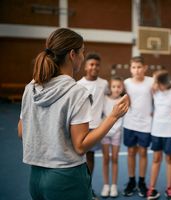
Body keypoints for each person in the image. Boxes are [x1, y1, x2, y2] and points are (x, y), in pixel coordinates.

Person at [17, 28, 129, 200]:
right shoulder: (77, 92)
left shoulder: (31, 87)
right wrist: (113, 117)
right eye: (82, 52)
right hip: (66, 179)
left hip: (36, 178)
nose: (83, 57)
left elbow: (21, 132)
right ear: (72, 55)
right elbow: (80, 146)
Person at [77, 52, 108, 199]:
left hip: (96, 127)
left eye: (97, 65)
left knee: (90, 157)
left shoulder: (104, 84)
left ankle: (88, 188)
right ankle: (78, 188)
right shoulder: (78, 85)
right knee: (77, 157)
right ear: (85, 67)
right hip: (80, 127)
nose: (94, 67)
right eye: (91, 64)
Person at [147, 70, 171, 200]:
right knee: (156, 159)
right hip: (157, 130)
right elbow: (151, 81)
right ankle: (151, 188)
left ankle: (169, 188)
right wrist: (155, 81)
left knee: (169, 159)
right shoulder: (154, 91)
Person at [122, 56, 153, 197]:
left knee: (143, 153)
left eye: (139, 67)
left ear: (145, 68)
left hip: (146, 124)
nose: (136, 70)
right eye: (133, 67)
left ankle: (141, 182)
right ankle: (131, 181)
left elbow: (163, 94)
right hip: (130, 123)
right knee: (130, 153)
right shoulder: (126, 83)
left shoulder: (151, 82)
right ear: (130, 69)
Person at [100, 76, 125, 198]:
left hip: (116, 133)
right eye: (114, 86)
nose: (116, 89)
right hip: (105, 132)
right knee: (105, 159)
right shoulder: (104, 99)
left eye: (119, 86)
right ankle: (106, 185)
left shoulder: (123, 100)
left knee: (114, 159)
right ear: (110, 88)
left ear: (122, 88)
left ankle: (114, 185)